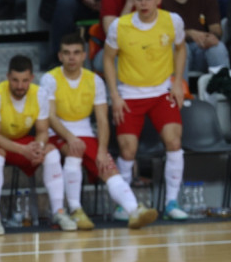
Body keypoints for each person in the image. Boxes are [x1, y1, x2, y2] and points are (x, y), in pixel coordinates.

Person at [41, 33, 159, 230]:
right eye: (67, 53)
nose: (72, 57)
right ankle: (76, 210)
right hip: (58, 133)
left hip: (86, 132)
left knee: (108, 167)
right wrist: (70, 137)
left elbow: (103, 120)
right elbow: (50, 117)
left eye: (76, 53)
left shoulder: (94, 80)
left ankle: (133, 211)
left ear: (84, 55)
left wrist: (102, 150)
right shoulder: (50, 79)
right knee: (74, 151)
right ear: (60, 56)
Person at [102, 0, 189, 221]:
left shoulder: (172, 21)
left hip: (162, 92)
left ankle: (172, 202)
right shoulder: (120, 26)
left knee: (174, 142)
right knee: (128, 150)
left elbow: (181, 48)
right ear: (134, 0)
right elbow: (108, 58)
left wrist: (178, 82)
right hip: (129, 94)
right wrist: (115, 95)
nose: (144, 3)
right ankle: (123, 206)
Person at [0, 55, 76, 234]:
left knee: (51, 152)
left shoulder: (39, 94)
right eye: (15, 80)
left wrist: (37, 147)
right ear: (8, 77)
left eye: (24, 80)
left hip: (19, 139)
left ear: (31, 78)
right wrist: (24, 150)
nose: (20, 86)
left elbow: (43, 131)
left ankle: (58, 211)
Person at [160, 0, 230, 76]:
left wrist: (210, 37)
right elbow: (158, 34)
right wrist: (188, 33)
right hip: (172, 50)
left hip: (201, 48)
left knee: (217, 47)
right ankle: (180, 93)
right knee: (179, 47)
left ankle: (223, 91)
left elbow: (216, 30)